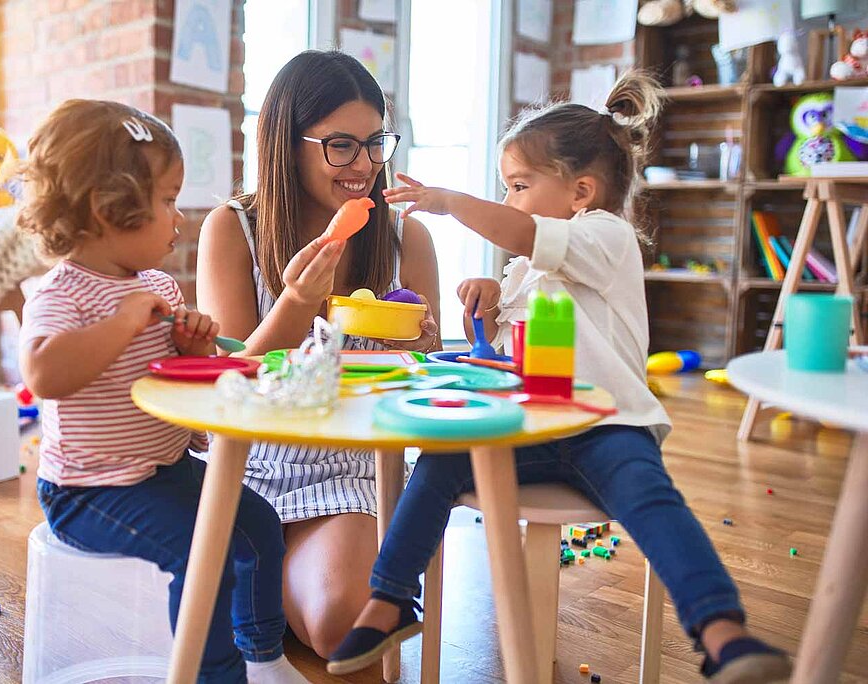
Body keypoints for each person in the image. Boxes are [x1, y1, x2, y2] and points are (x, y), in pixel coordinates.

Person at [328, 73, 793, 684]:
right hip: (530, 430)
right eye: (507, 189)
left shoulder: (607, 236)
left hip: (610, 428)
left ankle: (722, 633)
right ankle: (388, 602)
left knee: (654, 502)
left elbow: (524, 233)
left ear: (581, 190)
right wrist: (490, 312)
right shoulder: (525, 267)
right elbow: (508, 359)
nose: (512, 201)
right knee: (439, 461)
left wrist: (450, 203)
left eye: (519, 186)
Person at [18, 99, 307, 684]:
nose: (179, 220)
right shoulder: (62, 294)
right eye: (168, 200)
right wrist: (122, 323)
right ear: (108, 211)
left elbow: (179, 376)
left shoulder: (156, 285)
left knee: (258, 524)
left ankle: (264, 656)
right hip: (87, 490)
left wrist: (193, 346)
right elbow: (44, 374)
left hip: (163, 469)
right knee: (205, 553)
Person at [196, 50, 442, 658]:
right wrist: (296, 301)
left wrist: (423, 349)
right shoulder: (233, 230)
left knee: (342, 626)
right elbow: (236, 381)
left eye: (374, 142)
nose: (363, 165)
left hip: (353, 468)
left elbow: (420, 380)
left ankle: (253, 592)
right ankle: (254, 586)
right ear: (288, 142)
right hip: (249, 464)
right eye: (341, 146)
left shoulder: (404, 237)